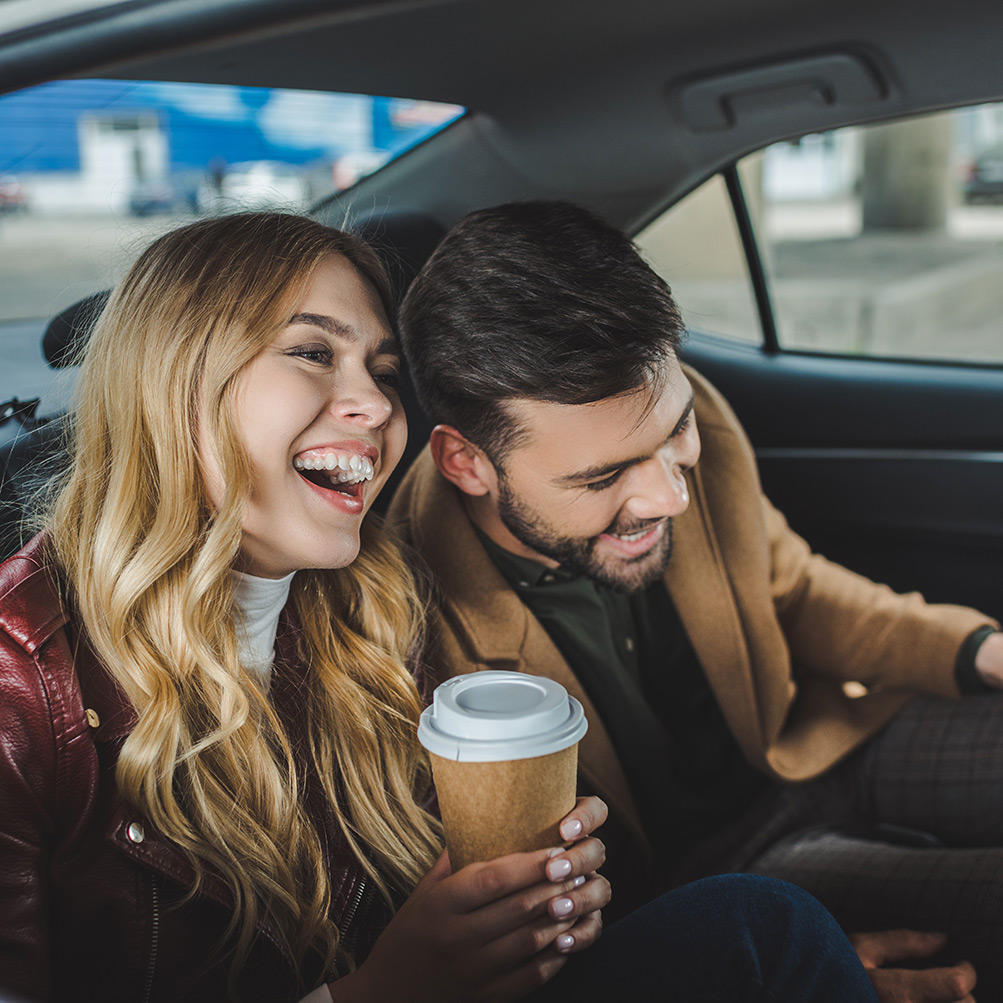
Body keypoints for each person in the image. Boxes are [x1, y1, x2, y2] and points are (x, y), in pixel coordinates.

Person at [0, 211, 880, 1003]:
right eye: (313, 352)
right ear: (172, 377)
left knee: (762, 935)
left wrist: (531, 917)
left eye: (384, 371)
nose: (379, 405)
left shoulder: (369, 611)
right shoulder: (19, 679)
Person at [386, 199, 1003, 1003]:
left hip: (811, 742)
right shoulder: (403, 617)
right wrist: (771, 966)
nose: (667, 495)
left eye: (671, 434)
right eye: (601, 478)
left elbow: (795, 590)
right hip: (714, 878)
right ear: (467, 463)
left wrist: (978, 648)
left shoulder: (687, 410)